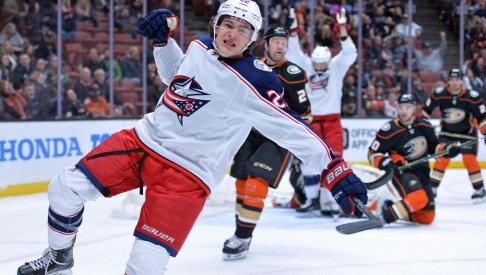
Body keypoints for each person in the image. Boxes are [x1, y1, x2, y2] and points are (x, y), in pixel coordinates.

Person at [17, 1, 368, 274]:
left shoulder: (258, 81)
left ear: (253, 39)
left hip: (187, 176)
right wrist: (162, 41)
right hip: (142, 143)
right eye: (227, 24)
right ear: (216, 25)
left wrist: (335, 170)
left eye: (243, 30)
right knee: (65, 187)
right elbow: (175, 75)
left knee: (146, 264)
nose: (232, 34)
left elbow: (294, 129)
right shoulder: (201, 46)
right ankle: (58, 259)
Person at [222, 26, 311, 261]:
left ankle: (241, 237)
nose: (281, 46)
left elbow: (305, 112)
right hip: (248, 133)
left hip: (277, 137)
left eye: (284, 42)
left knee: (255, 184)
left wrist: (300, 140)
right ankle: (243, 234)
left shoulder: (293, 73)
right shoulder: (251, 65)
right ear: (267, 44)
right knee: (241, 184)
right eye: (277, 42)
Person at [286, 7, 357, 216]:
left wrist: (343, 30)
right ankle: (310, 199)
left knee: (334, 162)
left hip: (333, 121)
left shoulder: (335, 67)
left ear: (327, 61)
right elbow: (293, 53)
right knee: (310, 162)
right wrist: (292, 33)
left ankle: (334, 202)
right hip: (311, 120)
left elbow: (351, 53)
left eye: (321, 64)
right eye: (316, 64)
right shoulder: (307, 65)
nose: (318, 68)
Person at [368, 94, 461, 225]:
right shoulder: (389, 130)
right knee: (419, 198)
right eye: (401, 107)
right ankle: (383, 218)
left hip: (422, 171)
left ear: (414, 108)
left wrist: (448, 149)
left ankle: (389, 206)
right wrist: (385, 162)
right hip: (403, 171)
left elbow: (434, 147)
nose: (404, 111)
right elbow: (372, 154)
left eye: (408, 107)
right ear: (397, 108)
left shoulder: (424, 125)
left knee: (426, 217)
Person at [423, 68, 486, 203]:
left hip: (468, 134)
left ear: (462, 81)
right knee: (442, 158)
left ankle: (479, 189)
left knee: (469, 159)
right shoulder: (440, 94)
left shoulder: (472, 96)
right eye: (452, 80)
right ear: (448, 81)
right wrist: (421, 130)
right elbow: (425, 112)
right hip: (447, 133)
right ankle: (432, 188)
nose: (454, 82)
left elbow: (481, 117)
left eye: (457, 80)